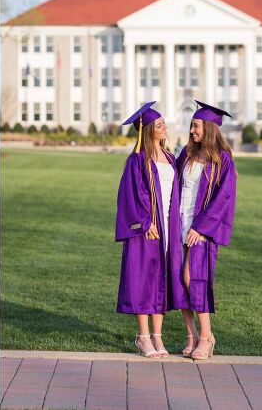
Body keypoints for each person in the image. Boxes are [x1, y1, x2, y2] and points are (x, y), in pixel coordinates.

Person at [169, 100, 237, 361]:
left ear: (208, 128)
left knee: (192, 277)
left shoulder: (223, 161)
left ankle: (207, 337)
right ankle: (191, 336)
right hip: (180, 223)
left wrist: (202, 228)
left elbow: (224, 198)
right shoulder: (186, 154)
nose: (192, 130)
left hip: (199, 229)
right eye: (191, 125)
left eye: (196, 126)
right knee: (178, 279)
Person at [115, 102, 181, 358]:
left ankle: (157, 336)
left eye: (164, 123)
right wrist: (144, 223)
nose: (164, 127)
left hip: (168, 226)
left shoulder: (170, 157)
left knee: (161, 279)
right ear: (148, 130)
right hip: (148, 229)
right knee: (144, 279)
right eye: (159, 124)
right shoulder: (137, 161)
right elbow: (130, 196)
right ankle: (143, 337)